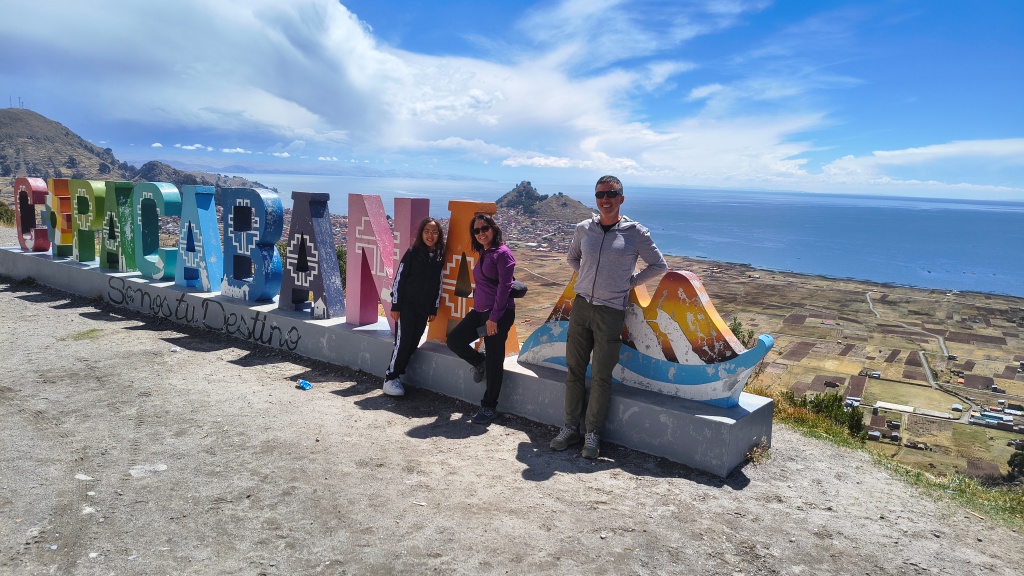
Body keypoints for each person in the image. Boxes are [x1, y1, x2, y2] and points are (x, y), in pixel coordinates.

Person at [549, 175, 667, 458]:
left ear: (621, 199)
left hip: (611, 311)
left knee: (601, 375)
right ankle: (569, 428)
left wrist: (629, 282)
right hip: (581, 307)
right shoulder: (583, 228)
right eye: (601, 194)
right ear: (596, 198)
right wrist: (588, 277)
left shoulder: (636, 233)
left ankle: (592, 434)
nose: (606, 199)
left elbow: (658, 265)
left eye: (611, 194)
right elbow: (572, 259)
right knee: (574, 370)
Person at [446, 214, 517, 424]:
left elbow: (505, 288)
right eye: (476, 231)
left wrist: (494, 318)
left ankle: (489, 407)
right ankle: (480, 363)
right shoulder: (484, 252)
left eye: (484, 228)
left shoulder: (503, 254)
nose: (481, 233)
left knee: (495, 360)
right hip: (480, 312)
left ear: (493, 228)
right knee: (455, 340)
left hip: (498, 314)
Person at [383, 217, 446, 397]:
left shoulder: (439, 257)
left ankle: (398, 376)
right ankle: (390, 377)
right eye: (427, 231)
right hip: (407, 307)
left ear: (439, 235)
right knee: (403, 343)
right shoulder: (412, 252)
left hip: (424, 308)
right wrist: (396, 305)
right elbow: (399, 279)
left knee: (413, 343)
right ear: (421, 233)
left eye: (434, 232)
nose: (430, 235)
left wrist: (433, 308)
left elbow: (438, 284)